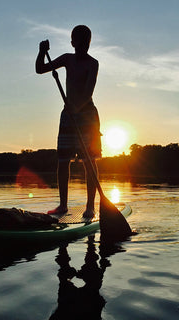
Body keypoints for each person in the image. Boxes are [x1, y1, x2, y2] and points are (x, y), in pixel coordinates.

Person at [36, 25, 101, 218]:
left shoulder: (93, 63)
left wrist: (77, 109)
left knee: (89, 162)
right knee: (63, 161)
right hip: (68, 117)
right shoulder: (66, 59)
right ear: (72, 42)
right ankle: (63, 205)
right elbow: (40, 69)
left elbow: (89, 92)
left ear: (89, 43)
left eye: (86, 43)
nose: (82, 47)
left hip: (87, 117)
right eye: (79, 43)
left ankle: (90, 206)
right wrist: (41, 52)